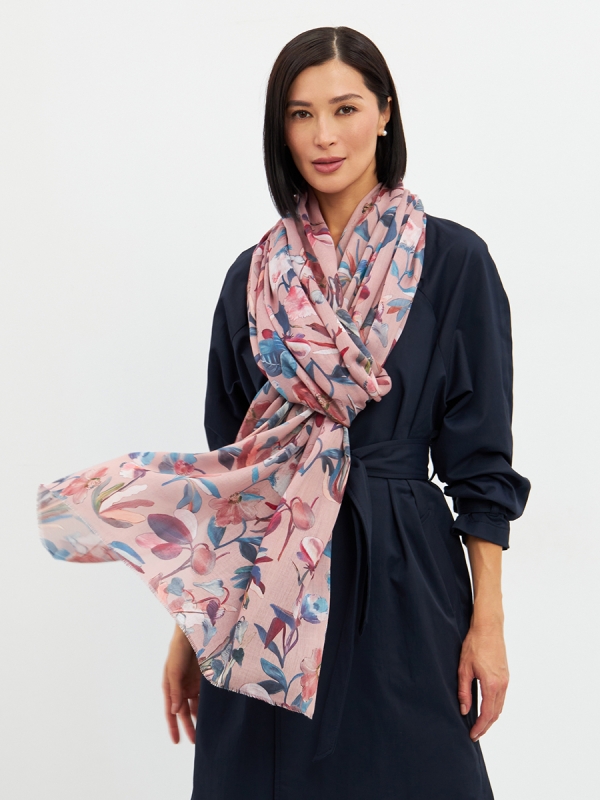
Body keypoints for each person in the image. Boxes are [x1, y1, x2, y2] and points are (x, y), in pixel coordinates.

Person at [37, 24, 530, 800]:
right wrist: (192, 630)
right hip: (265, 590)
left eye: (345, 108)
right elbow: (232, 479)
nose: (324, 136)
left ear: (386, 113)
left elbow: (481, 463)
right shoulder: (252, 277)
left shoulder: (453, 261)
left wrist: (489, 623)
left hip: (404, 577)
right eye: (301, 114)